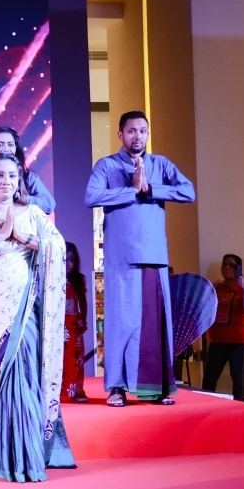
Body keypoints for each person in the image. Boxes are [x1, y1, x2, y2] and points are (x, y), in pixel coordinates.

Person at [85, 111, 195, 407]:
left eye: (143, 131)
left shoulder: (161, 164)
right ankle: (117, 388)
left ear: (148, 134)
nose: (138, 136)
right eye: (131, 131)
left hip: (154, 256)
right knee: (121, 323)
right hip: (121, 258)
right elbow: (90, 197)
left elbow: (189, 192)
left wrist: (151, 189)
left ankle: (157, 388)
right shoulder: (107, 165)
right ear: (120, 135)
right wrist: (130, 190)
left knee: (155, 322)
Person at [0, 153, 74, 482]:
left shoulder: (32, 214)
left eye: (12, 176)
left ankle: (27, 459)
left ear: (20, 181)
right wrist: (3, 236)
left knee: (24, 380)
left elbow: (58, 247)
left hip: (25, 312)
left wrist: (24, 239)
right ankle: (5, 460)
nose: (6, 181)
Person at [202, 254, 244, 400]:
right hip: (217, 340)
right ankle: (205, 407)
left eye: (232, 265)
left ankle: (238, 407)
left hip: (240, 341)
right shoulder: (216, 287)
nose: (227, 267)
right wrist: (210, 290)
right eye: (225, 264)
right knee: (209, 377)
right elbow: (205, 310)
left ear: (238, 268)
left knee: (238, 377)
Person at [0, 126, 55, 214]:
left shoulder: (27, 177)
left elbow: (49, 205)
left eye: (10, 145)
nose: (6, 149)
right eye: (0, 145)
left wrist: (20, 199)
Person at [62, 242, 89, 403]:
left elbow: (83, 301)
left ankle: (77, 390)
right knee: (60, 358)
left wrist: (83, 320)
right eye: (65, 260)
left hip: (74, 323)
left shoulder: (79, 280)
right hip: (58, 324)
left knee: (76, 358)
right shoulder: (53, 277)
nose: (68, 264)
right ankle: (58, 390)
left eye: (72, 261)